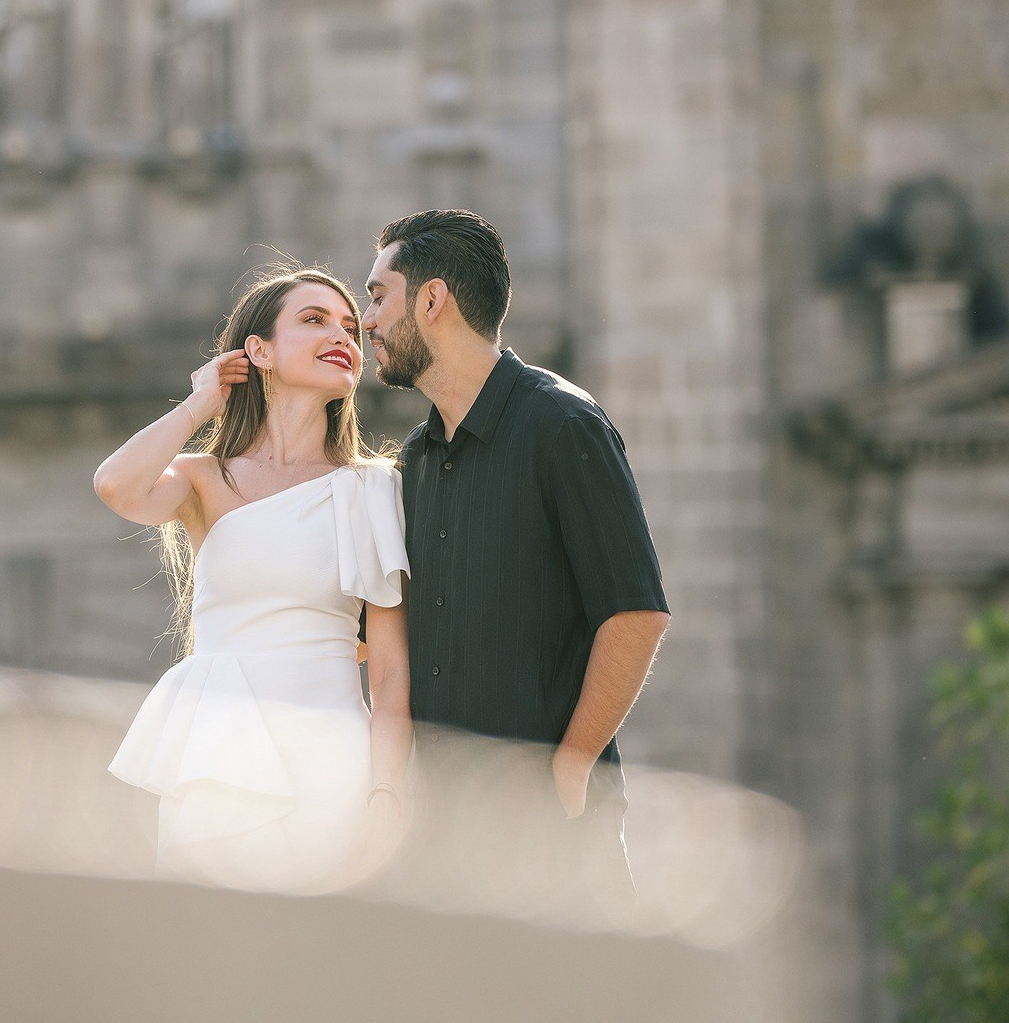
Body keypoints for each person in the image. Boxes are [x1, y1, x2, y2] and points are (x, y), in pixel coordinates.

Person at [360, 209, 670, 888]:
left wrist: (569, 765)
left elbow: (635, 614)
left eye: (378, 295)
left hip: (548, 832)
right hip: (435, 838)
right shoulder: (413, 461)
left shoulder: (564, 426)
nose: (367, 321)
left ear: (433, 300)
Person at [95, 265, 411, 892]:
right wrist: (200, 404)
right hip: (220, 753)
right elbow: (114, 485)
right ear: (258, 351)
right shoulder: (203, 479)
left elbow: (390, 671)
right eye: (314, 319)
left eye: (351, 325)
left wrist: (386, 795)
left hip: (332, 757)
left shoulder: (372, 488)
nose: (343, 334)